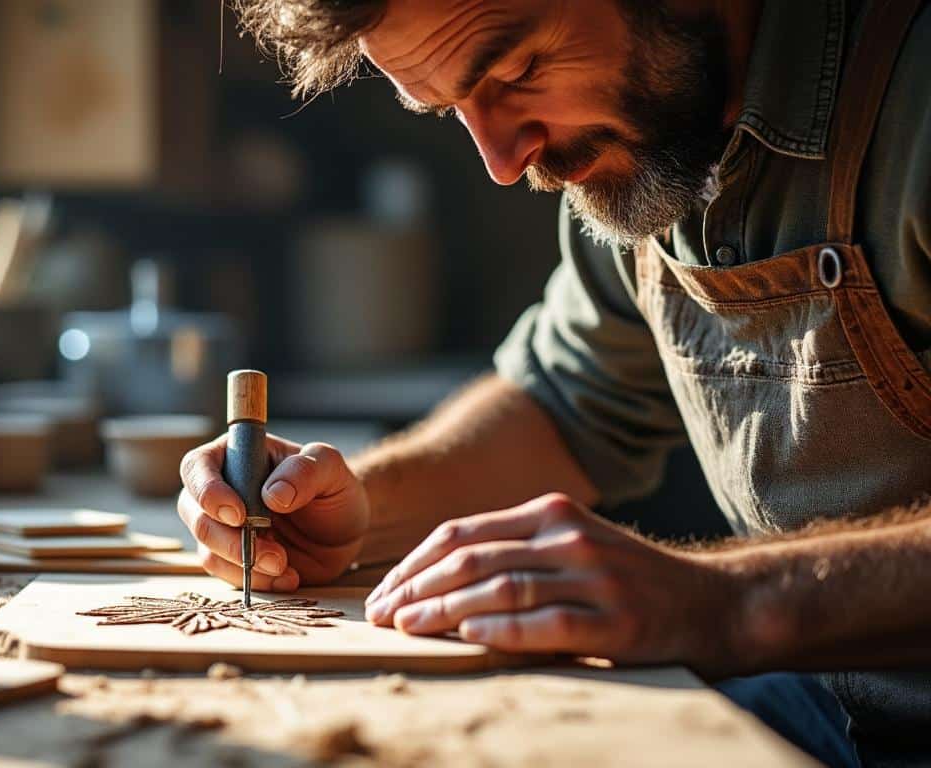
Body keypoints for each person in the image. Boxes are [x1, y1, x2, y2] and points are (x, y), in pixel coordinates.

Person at [177, 1, 931, 765]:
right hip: (821, 706)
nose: (503, 162)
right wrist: (349, 509)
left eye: (517, 71)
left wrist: (737, 603)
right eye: (450, 109)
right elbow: (564, 406)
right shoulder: (640, 148)